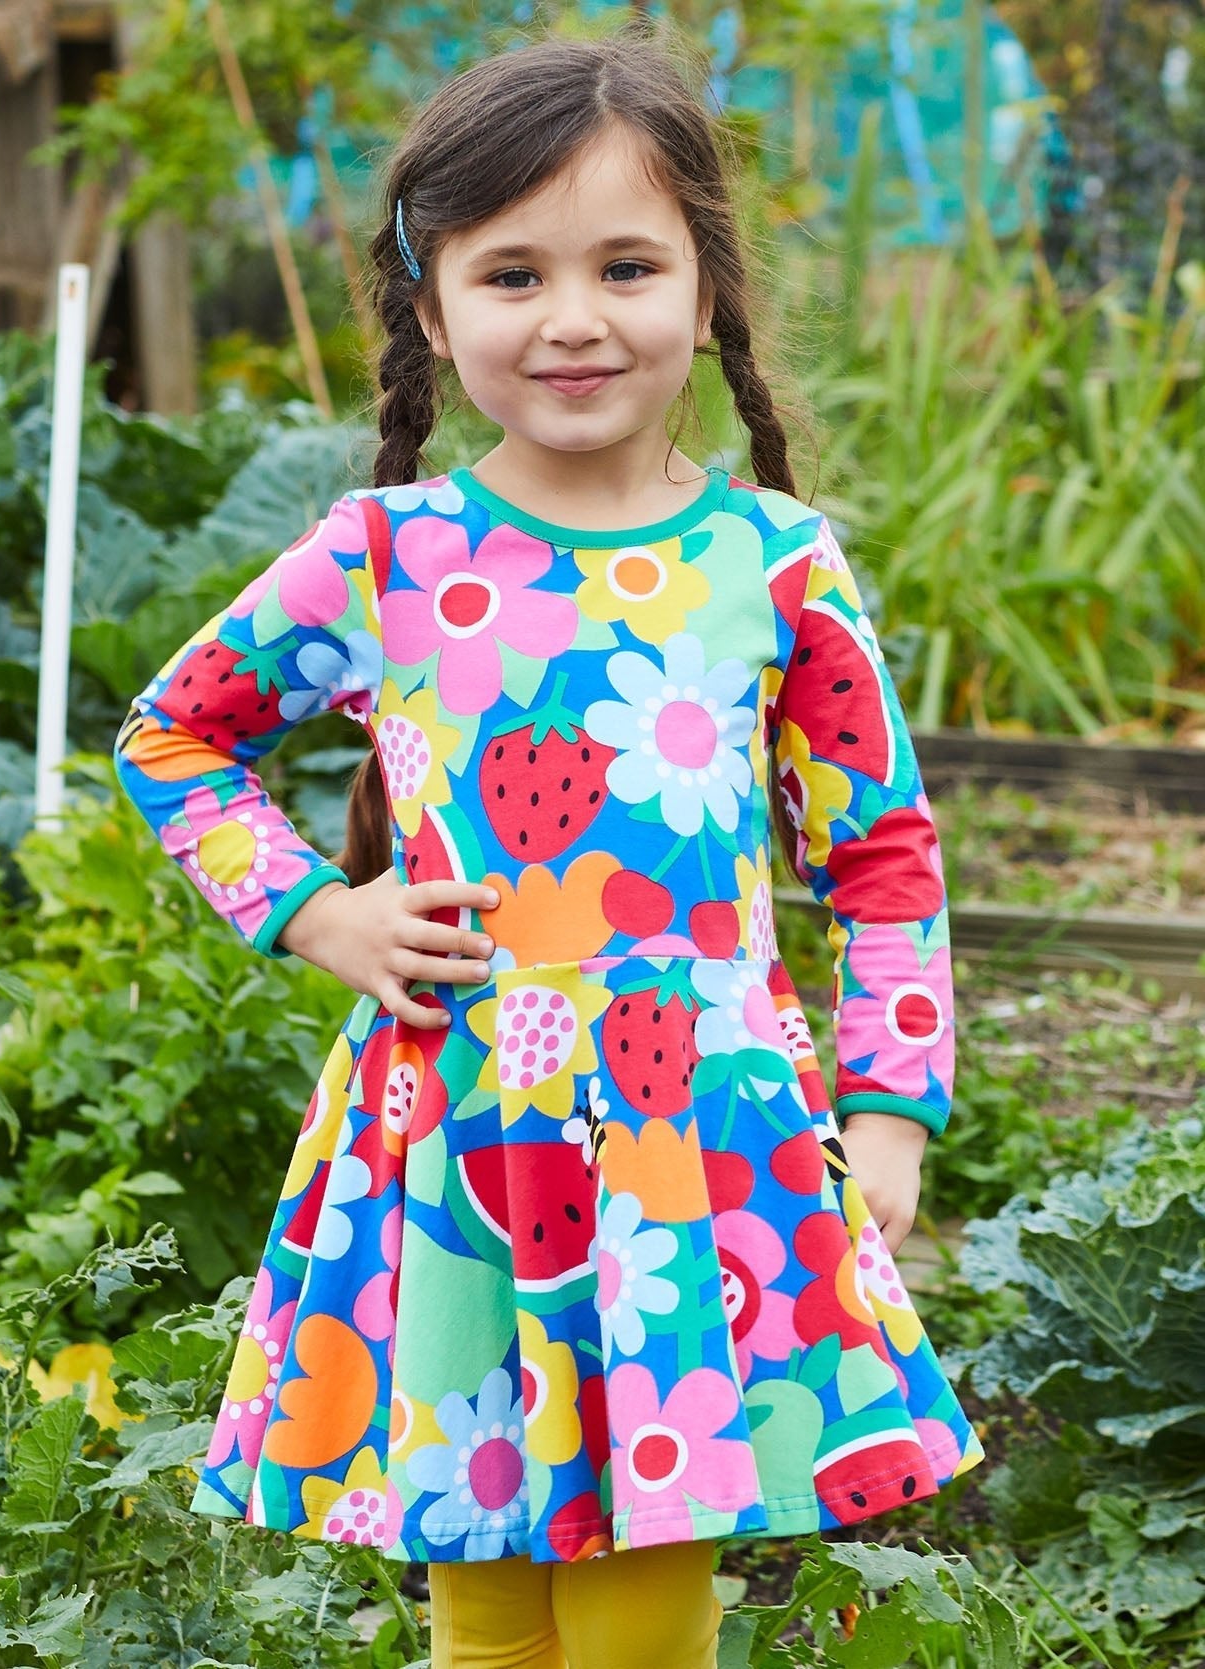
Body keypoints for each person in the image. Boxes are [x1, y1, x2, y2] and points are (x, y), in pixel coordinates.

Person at [114, 31, 985, 1669]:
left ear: (709, 293)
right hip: (454, 1140)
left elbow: (884, 863)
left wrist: (887, 1118)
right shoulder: (386, 554)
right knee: (488, 1602)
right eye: (512, 272)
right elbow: (171, 736)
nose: (575, 317)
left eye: (627, 265)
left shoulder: (774, 561)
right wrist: (318, 913)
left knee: (647, 1607)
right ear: (433, 313)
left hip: (698, 1142)